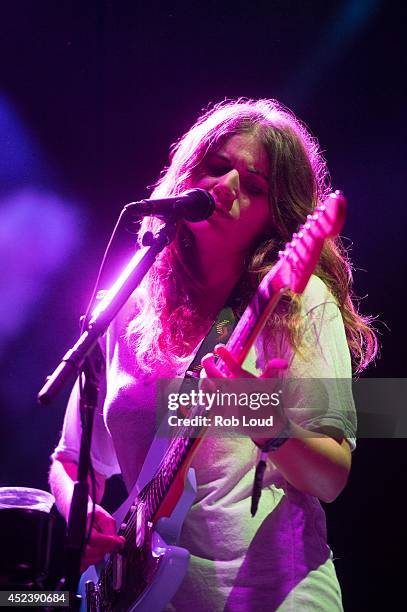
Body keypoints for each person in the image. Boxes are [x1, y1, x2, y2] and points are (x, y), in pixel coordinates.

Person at [49, 98, 377, 611]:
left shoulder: (297, 302)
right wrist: (79, 511)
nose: (226, 188)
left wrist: (257, 412)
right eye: (217, 167)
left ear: (278, 216)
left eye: (254, 186)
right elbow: (71, 461)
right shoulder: (127, 309)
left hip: (275, 597)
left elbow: (331, 478)